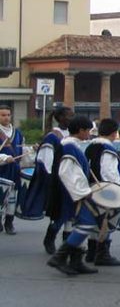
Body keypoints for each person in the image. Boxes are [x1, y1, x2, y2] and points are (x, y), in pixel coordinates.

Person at [46, 116, 99, 276]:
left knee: (80, 224)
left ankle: (76, 261)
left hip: (74, 193)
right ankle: (59, 258)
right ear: (81, 130)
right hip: (73, 194)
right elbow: (66, 172)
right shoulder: (69, 147)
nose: (90, 134)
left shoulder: (71, 145)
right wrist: (82, 193)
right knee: (87, 224)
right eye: (88, 130)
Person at [29, 106, 74, 254]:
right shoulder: (53, 136)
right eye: (69, 116)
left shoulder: (73, 134)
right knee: (59, 213)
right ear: (60, 118)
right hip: (58, 181)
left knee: (71, 214)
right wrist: (52, 179)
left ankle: (68, 244)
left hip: (72, 180)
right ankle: (50, 238)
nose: (71, 118)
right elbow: (46, 161)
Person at [82, 118, 120, 266]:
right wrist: (118, 190)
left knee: (96, 221)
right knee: (107, 221)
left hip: (91, 188)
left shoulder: (91, 147)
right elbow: (109, 173)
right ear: (114, 133)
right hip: (105, 190)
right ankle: (102, 253)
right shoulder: (108, 150)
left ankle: (91, 251)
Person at [0, 105, 24, 235]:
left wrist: (33, 150)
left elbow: (21, 149)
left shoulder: (17, 133)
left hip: (13, 170)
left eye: (8, 115)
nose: (6, 118)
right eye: (3, 115)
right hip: (1, 170)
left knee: (12, 198)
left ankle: (9, 222)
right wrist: (4, 158)